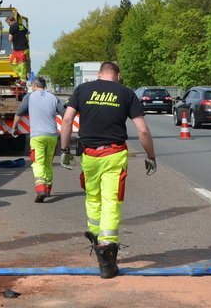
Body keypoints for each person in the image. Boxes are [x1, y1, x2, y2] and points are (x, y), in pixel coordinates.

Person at [59, 61, 157, 279]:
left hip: (89, 156)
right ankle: (106, 253)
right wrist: (150, 156)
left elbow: (67, 121)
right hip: (114, 155)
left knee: (93, 198)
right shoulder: (126, 93)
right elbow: (143, 131)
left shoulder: (82, 90)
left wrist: (64, 149)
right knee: (111, 200)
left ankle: (96, 240)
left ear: (99, 74)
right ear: (118, 75)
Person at [13, 76, 64, 203]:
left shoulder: (29, 97)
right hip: (52, 136)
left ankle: (41, 188)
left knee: (38, 162)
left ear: (34, 86)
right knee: (48, 163)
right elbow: (64, 114)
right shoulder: (53, 97)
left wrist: (14, 127)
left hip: (37, 137)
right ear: (45, 86)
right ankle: (47, 188)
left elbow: (19, 113)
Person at [6, 15, 30, 82]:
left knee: (20, 64)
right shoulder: (21, 25)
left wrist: (15, 37)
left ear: (12, 21)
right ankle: (21, 76)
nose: (8, 24)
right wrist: (21, 35)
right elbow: (28, 32)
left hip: (19, 49)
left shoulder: (12, 27)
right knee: (16, 63)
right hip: (24, 47)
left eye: (8, 23)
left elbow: (10, 39)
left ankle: (23, 80)